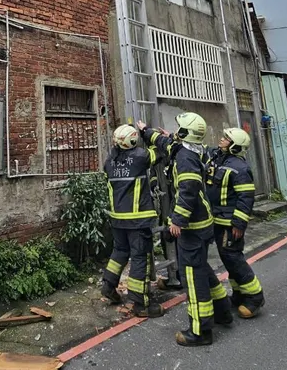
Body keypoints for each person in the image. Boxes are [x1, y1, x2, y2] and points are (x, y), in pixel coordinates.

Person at [141, 113, 232, 347]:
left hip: (192, 227)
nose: (174, 132)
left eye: (178, 129)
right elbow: (166, 142)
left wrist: (178, 220)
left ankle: (201, 331)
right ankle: (223, 311)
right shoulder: (190, 149)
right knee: (203, 268)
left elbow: (188, 190)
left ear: (184, 134)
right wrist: (146, 131)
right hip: (203, 223)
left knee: (193, 277)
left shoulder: (186, 159)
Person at [101, 123, 166, 318]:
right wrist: (151, 133)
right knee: (140, 257)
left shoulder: (109, 161)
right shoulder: (140, 157)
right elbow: (159, 153)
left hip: (117, 218)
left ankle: (108, 287)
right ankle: (140, 303)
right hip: (137, 219)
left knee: (119, 252)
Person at [205, 127, 265, 319]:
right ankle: (239, 294)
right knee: (227, 257)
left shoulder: (239, 168)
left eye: (226, 139)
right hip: (218, 220)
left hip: (230, 223)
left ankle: (255, 297)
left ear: (234, 146)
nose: (221, 140)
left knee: (232, 257)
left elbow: (245, 197)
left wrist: (239, 223)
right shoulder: (219, 158)